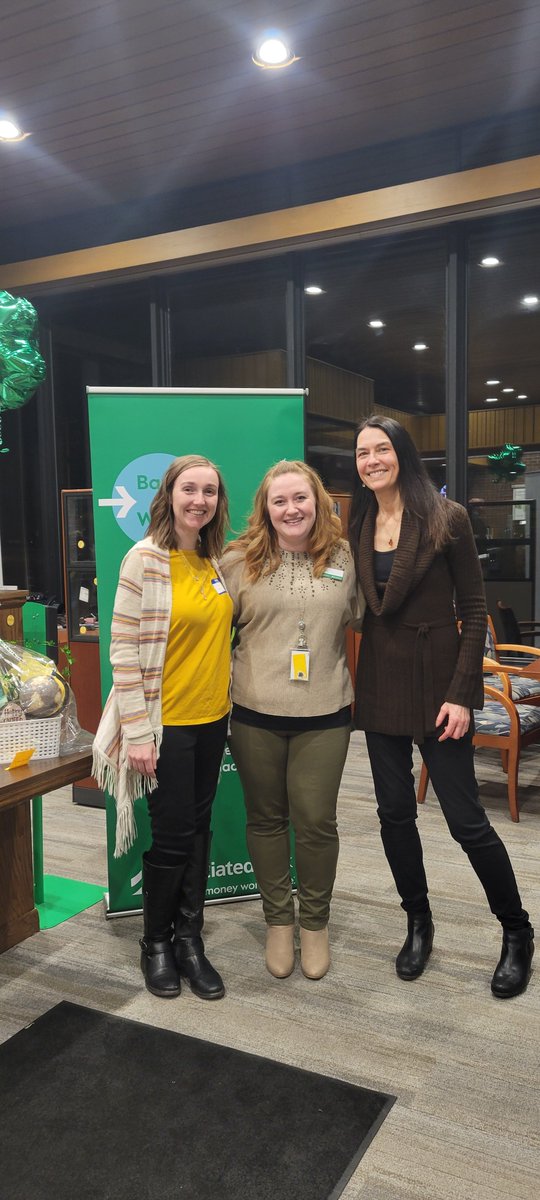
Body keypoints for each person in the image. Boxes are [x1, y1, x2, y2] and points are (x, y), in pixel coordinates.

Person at [349, 414, 534, 998]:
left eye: (381, 449)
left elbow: (475, 609)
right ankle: (418, 922)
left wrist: (461, 695)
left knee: (465, 820)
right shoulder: (359, 518)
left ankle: (517, 932)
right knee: (394, 814)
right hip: (380, 681)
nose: (371, 460)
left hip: (438, 686)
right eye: (362, 453)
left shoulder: (446, 518)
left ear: (401, 453)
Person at [93, 455, 233, 1000]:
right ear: (169, 494)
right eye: (189, 489)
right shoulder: (144, 559)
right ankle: (155, 943)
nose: (200, 500)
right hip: (164, 725)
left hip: (212, 719)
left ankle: (189, 941)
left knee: (198, 829)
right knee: (173, 834)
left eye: (210, 492)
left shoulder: (214, 560)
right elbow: (123, 651)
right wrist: (138, 731)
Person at [220, 460, 364, 981]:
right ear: (266, 509)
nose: (291, 509)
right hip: (255, 713)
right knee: (265, 819)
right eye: (279, 501)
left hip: (325, 714)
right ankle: (279, 920)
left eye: (300, 498)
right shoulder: (237, 561)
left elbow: (375, 618)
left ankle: (315, 923)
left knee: (316, 822)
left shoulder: (347, 558)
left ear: (318, 502)